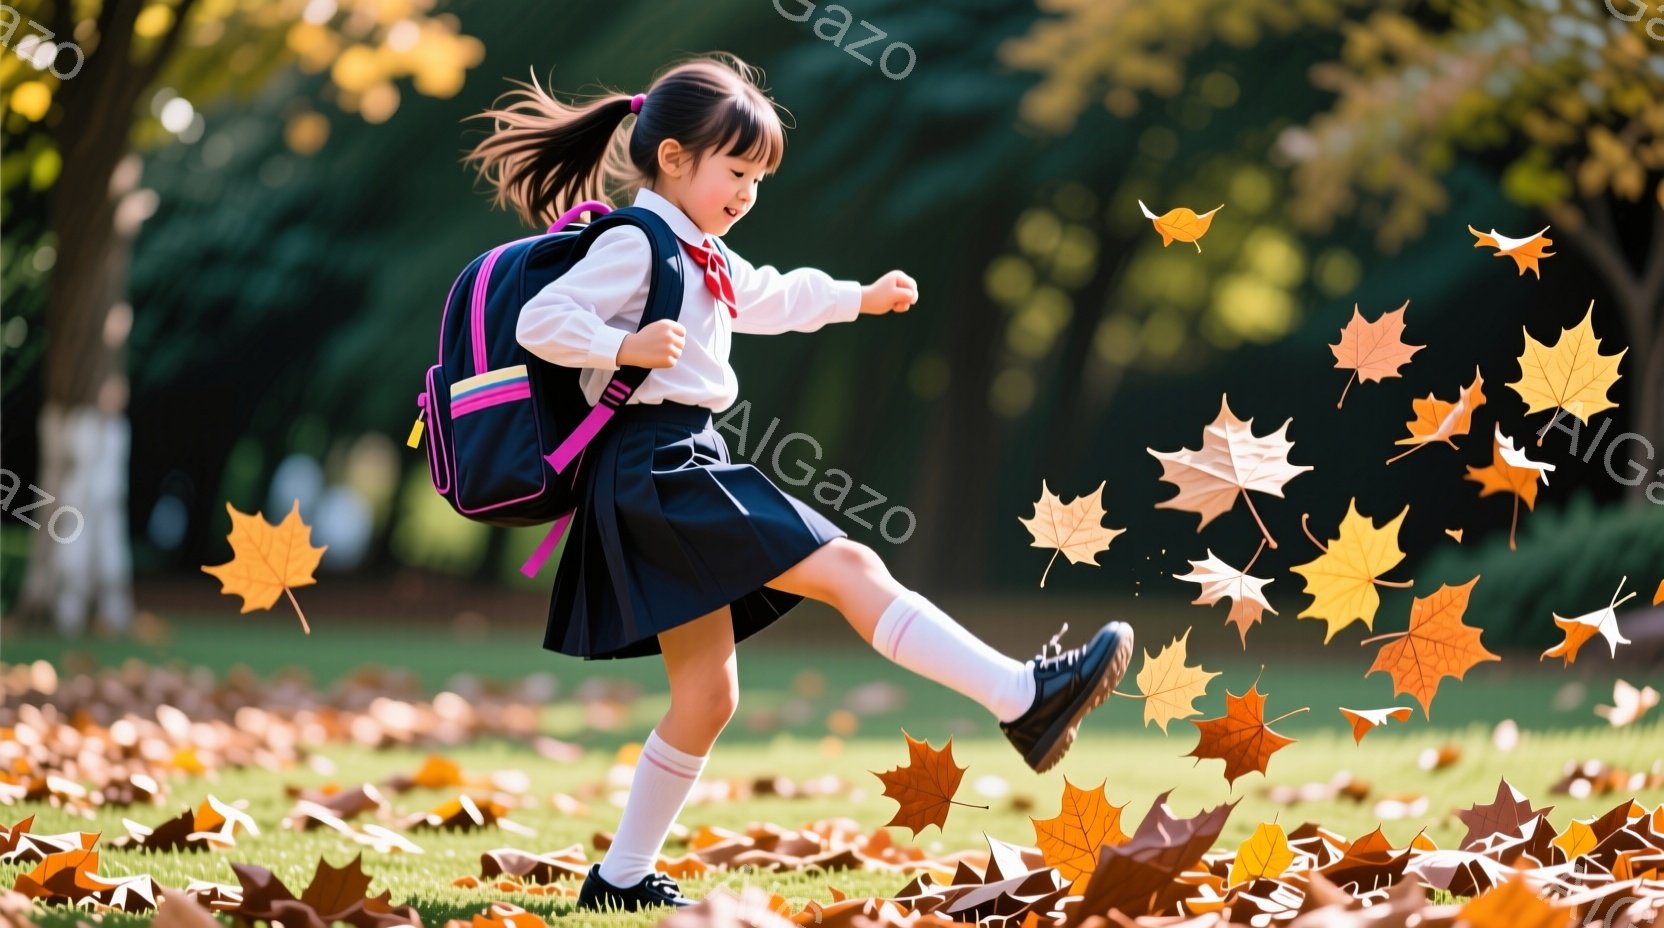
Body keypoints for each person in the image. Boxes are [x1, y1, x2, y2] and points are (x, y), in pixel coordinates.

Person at [462, 52, 1133, 913]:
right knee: (850, 568)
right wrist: (623, 348)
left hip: (669, 467)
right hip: (658, 463)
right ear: (673, 159)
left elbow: (773, 296)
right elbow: (540, 320)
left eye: (757, 178)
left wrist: (862, 296)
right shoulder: (637, 241)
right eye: (735, 171)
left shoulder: (696, 248)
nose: (747, 192)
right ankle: (1022, 695)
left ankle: (619, 879)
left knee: (707, 697)